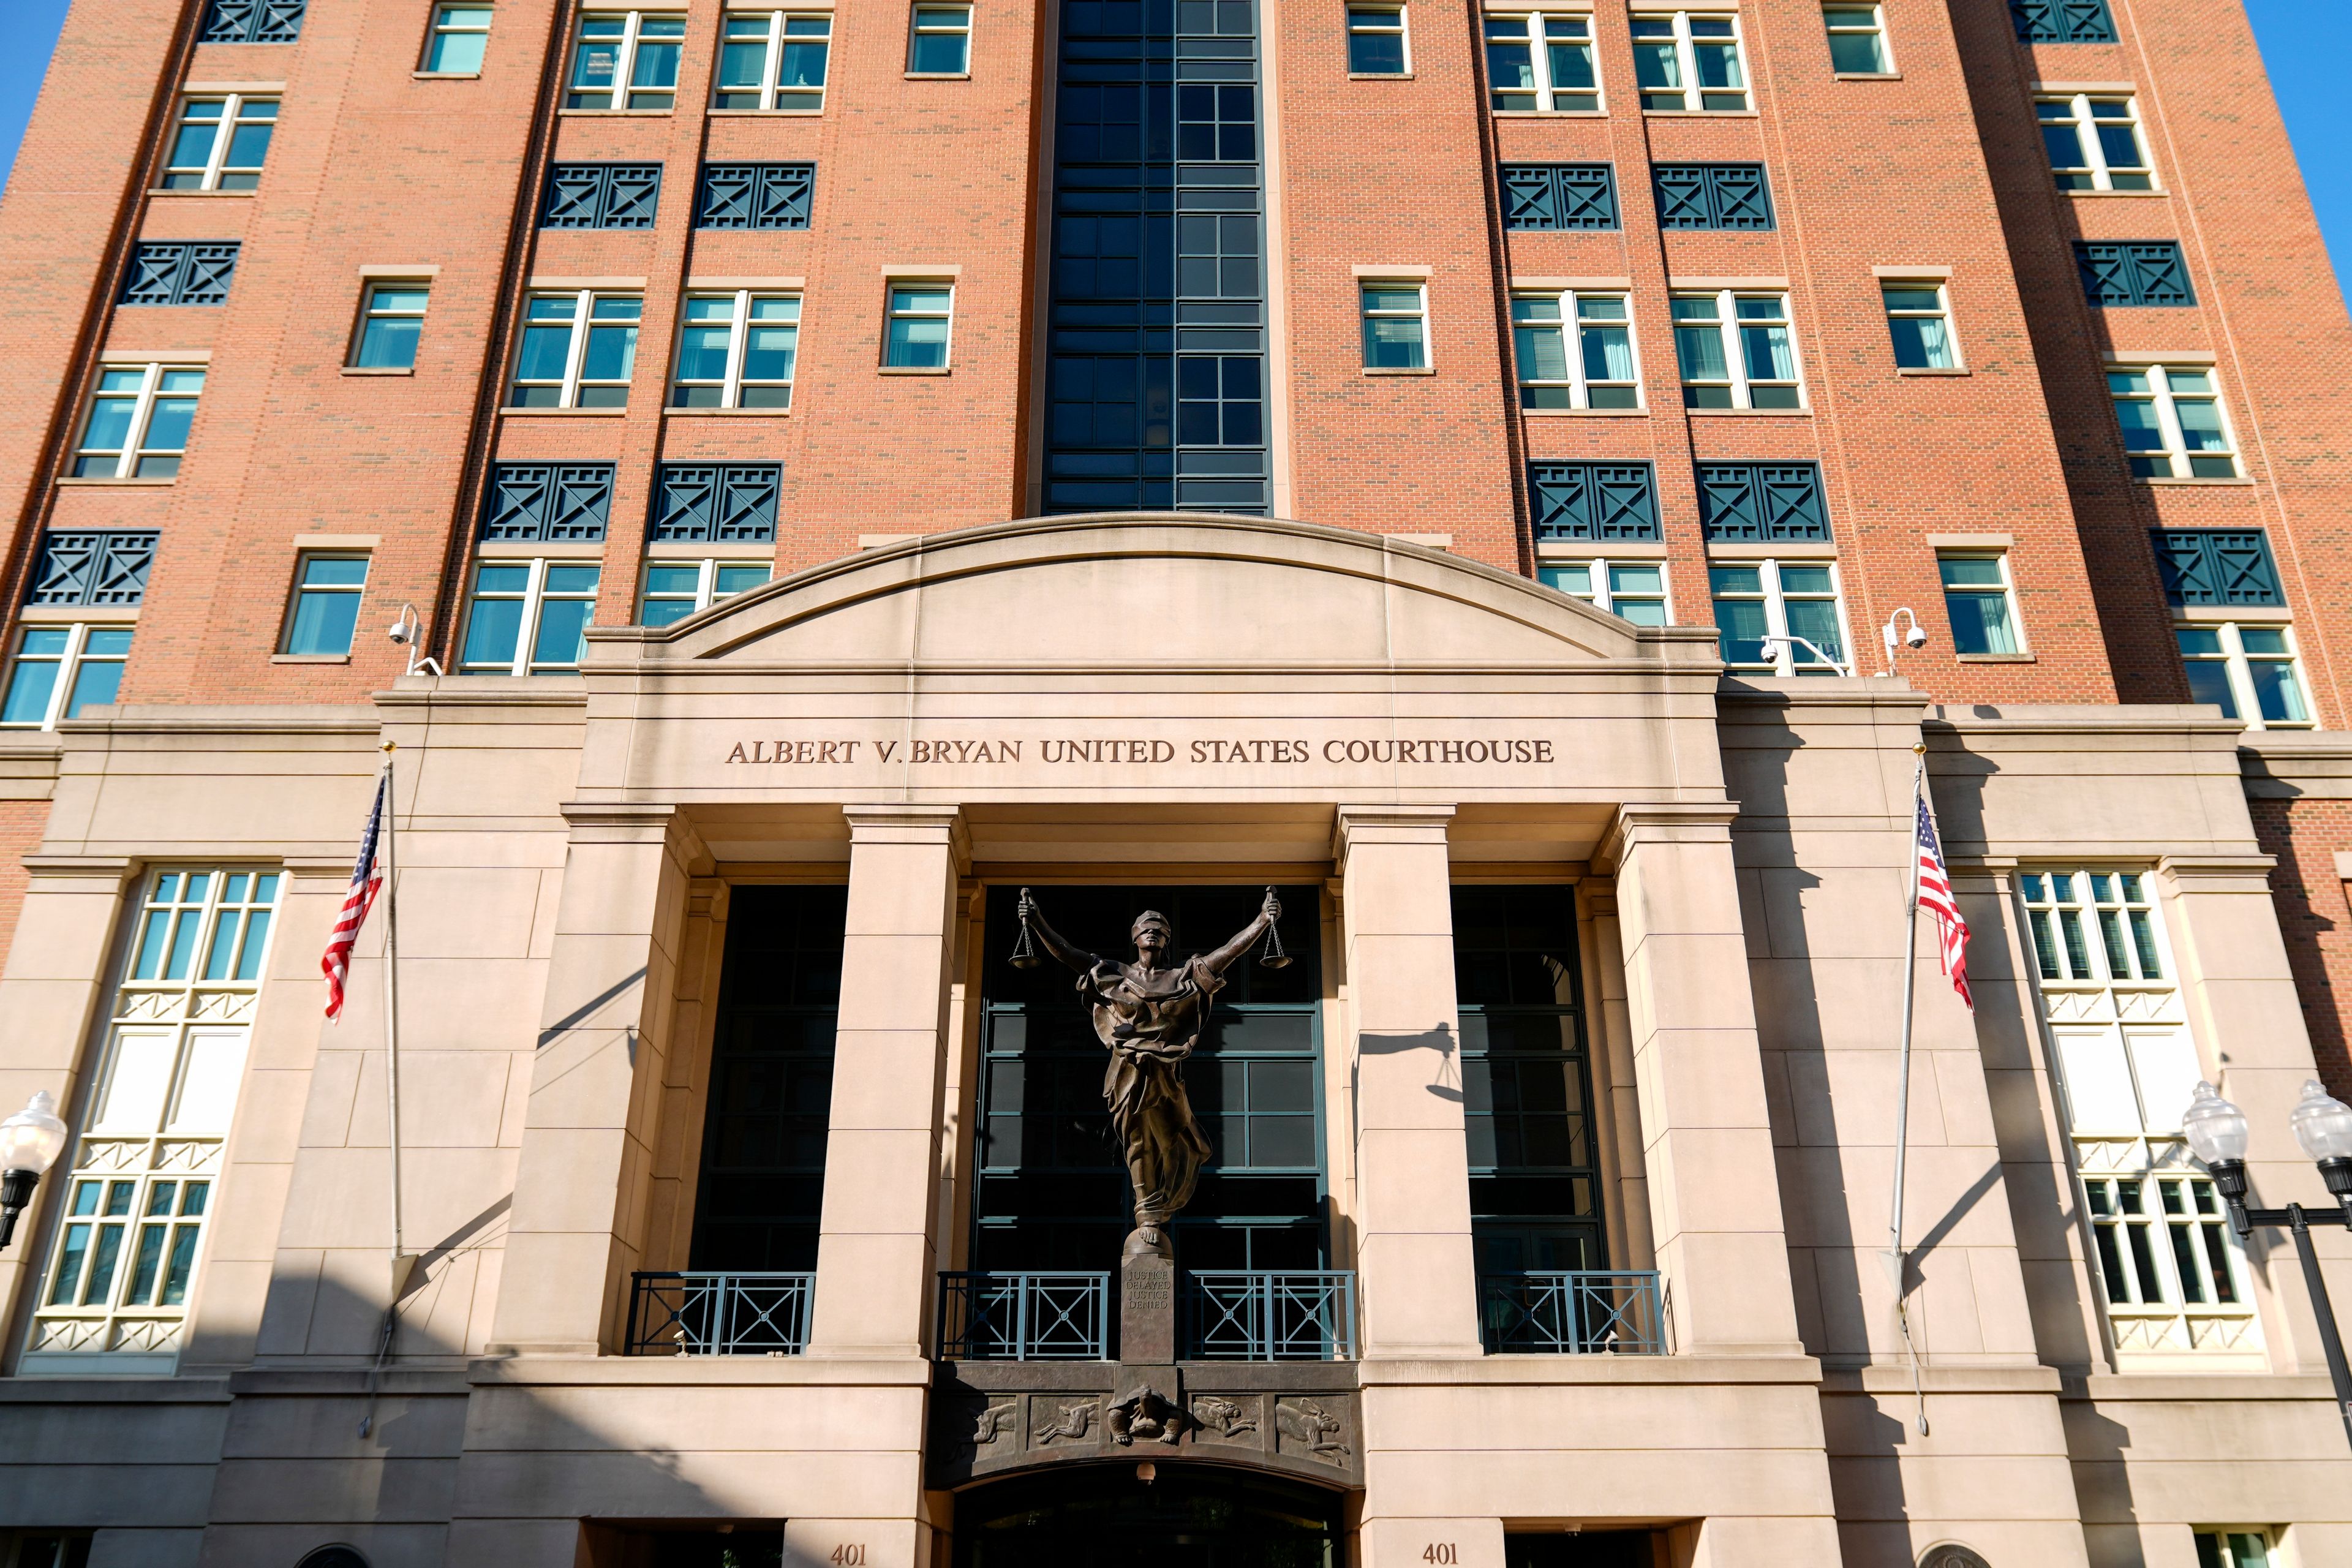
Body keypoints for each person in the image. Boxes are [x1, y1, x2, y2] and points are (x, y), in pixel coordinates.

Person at [1017, 888, 1281, 1256]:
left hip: (1166, 1077)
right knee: (1138, 1141)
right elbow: (1067, 952)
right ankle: (1149, 1216)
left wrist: (1262, 922)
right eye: (1146, 927)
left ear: (1167, 939)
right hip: (1128, 1074)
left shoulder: (1182, 977)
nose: (1152, 931)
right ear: (1135, 937)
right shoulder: (1115, 975)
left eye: (1159, 927)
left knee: (1174, 1143)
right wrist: (1036, 920)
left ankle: (1156, 1208)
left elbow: (1226, 954)